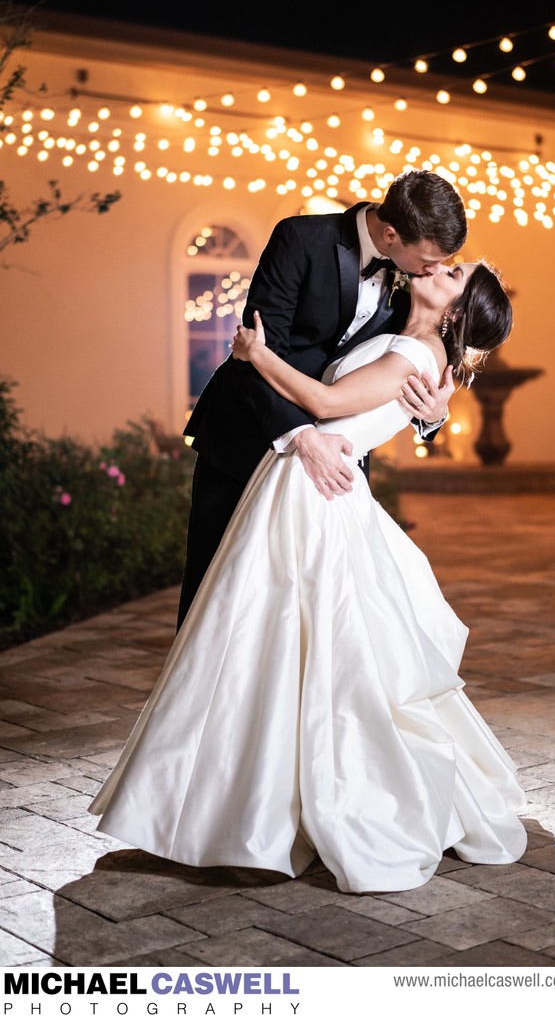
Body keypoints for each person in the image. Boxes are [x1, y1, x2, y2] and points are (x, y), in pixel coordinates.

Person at [88, 260, 528, 894]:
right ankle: (252, 810)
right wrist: (436, 405)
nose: (440, 266)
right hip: (309, 480)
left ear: (456, 311)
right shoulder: (407, 336)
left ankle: (259, 814)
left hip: (313, 489)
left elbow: (324, 402)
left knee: (275, 646)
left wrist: (254, 353)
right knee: (277, 647)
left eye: (456, 272)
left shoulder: (414, 352)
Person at [177, 170, 468, 628]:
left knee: (314, 610)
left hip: (333, 472)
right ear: (391, 234)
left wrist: (434, 415)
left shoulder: (414, 285)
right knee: (216, 594)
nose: (434, 271)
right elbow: (254, 351)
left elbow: (397, 367)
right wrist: (300, 434)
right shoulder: (300, 238)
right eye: (430, 260)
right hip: (247, 437)